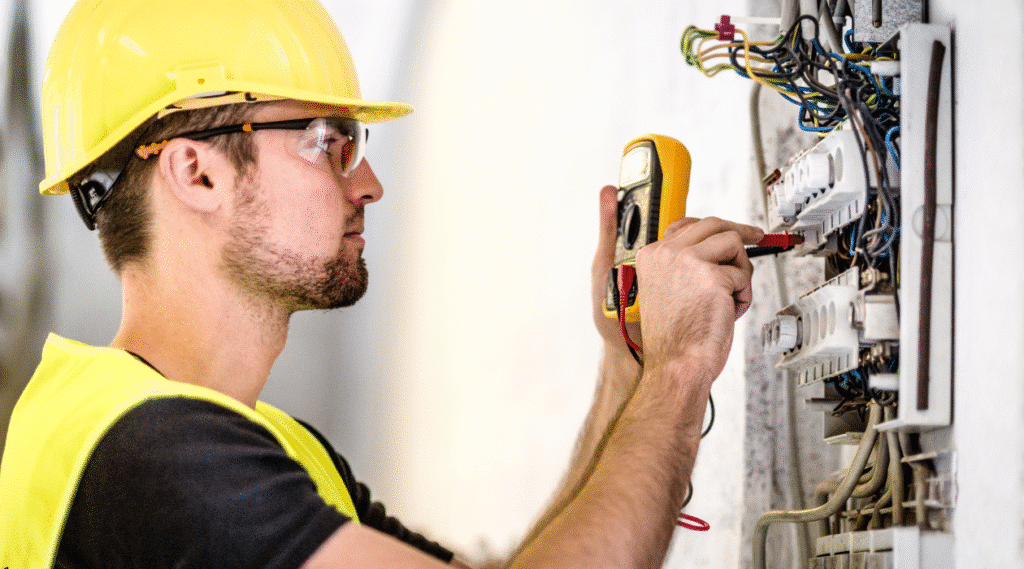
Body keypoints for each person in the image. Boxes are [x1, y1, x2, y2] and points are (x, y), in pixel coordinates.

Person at [0, 0, 763, 567]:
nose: (367, 182)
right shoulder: (146, 453)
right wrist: (681, 364)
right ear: (197, 172)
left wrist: (627, 369)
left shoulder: (273, 448)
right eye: (328, 142)